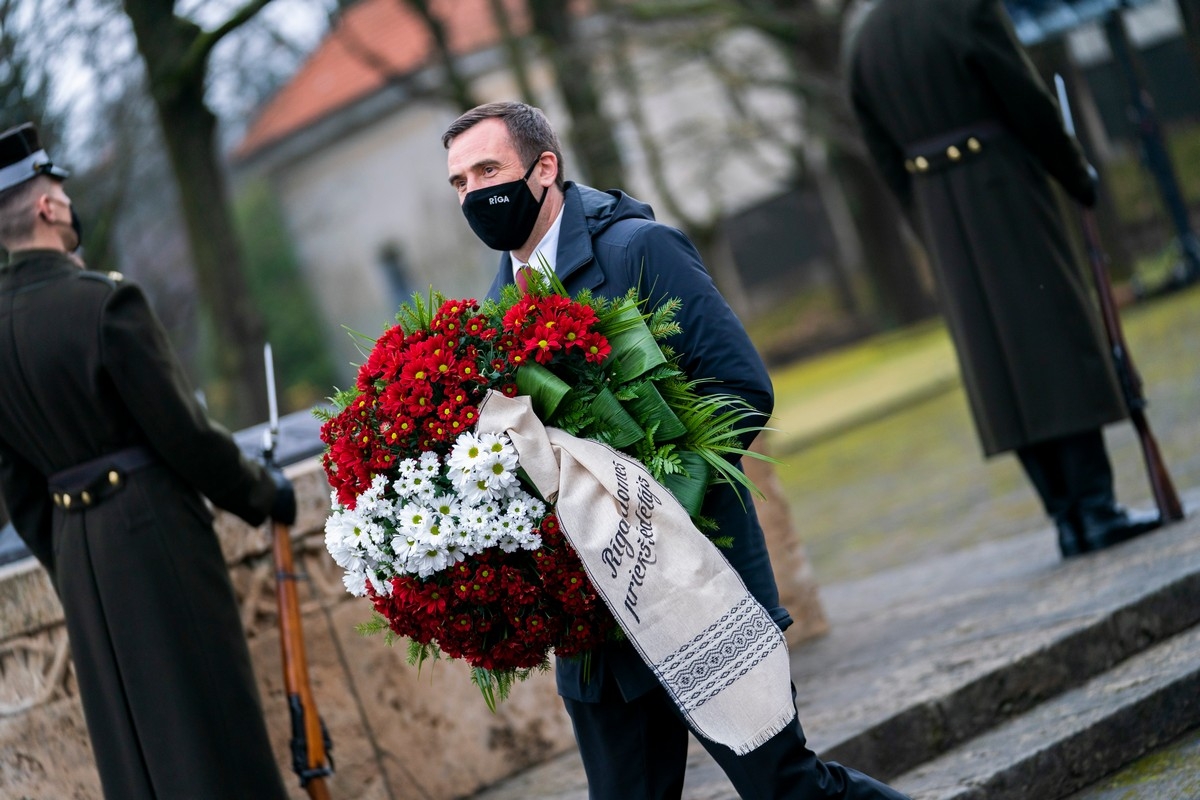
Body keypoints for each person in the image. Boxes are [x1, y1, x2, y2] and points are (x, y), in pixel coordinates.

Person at [444, 101, 909, 800]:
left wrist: (653, 503)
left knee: (786, 790)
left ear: (545, 168)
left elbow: (739, 387)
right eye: (458, 182)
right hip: (596, 624)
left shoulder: (640, 249)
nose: (475, 194)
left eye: (488, 170)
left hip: (696, 581)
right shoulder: (490, 318)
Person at [0, 122, 293, 799]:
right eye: (62, 194)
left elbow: (17, 485)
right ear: (47, 207)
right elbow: (183, 435)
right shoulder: (104, 301)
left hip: (78, 551)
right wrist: (261, 493)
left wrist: (73, 554)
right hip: (153, 536)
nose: (70, 206)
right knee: (212, 730)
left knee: (136, 755)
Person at [844, 0, 1162, 559]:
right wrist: (1074, 171)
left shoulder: (860, 36)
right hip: (1004, 188)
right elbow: (1025, 99)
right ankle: (1095, 508)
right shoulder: (965, 7)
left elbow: (880, 151)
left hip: (938, 211)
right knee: (1055, 342)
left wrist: (925, 219)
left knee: (999, 368)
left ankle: (1065, 517)